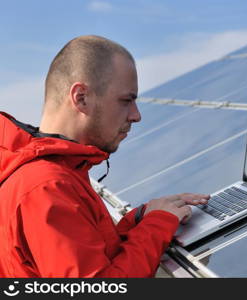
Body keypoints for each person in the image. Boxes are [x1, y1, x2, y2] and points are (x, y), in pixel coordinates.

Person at [0, 35, 209, 277]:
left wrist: (141, 218)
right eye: (126, 101)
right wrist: (158, 224)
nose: (136, 115)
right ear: (81, 98)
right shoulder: (46, 188)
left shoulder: (58, 172)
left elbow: (92, 255)